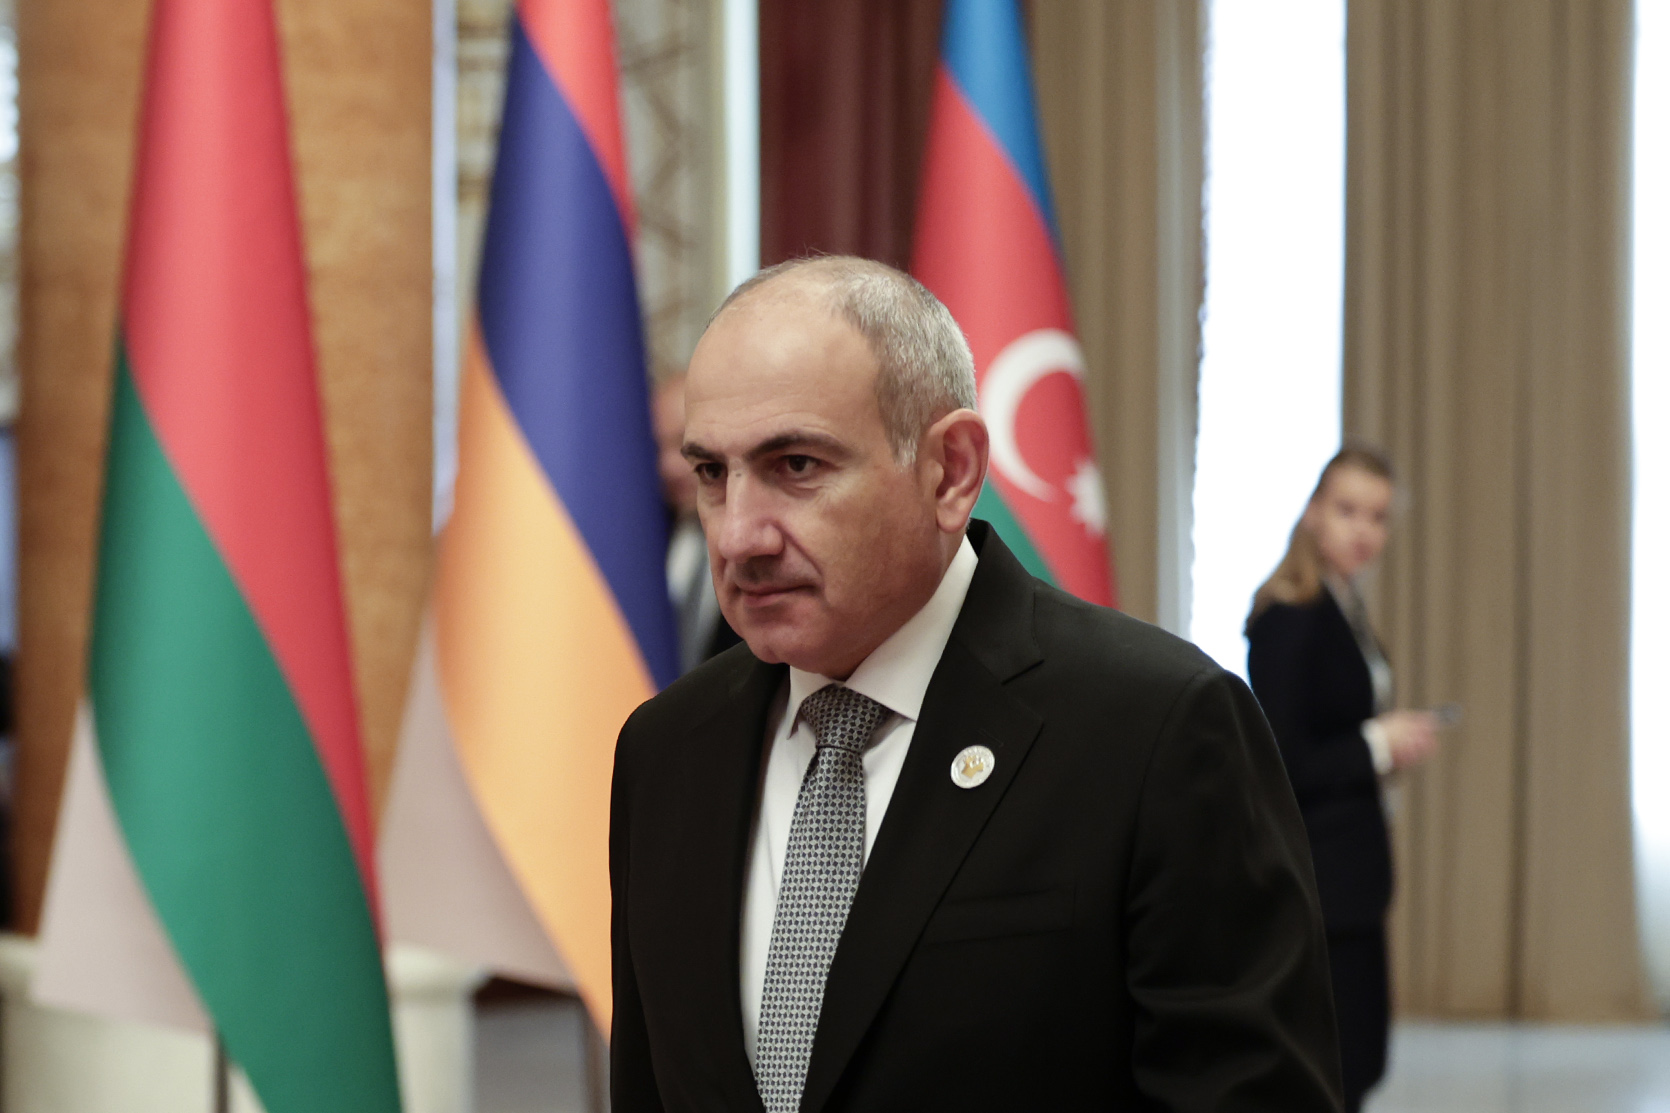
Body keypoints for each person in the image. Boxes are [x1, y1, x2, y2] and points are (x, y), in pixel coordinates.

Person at [610, 256, 1343, 1112]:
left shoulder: (1157, 731)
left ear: (951, 470)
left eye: (797, 465)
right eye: (711, 473)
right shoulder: (665, 750)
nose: (739, 536)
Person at [1244, 448, 1439, 1113]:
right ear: (1312, 511)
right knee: (1335, 1068)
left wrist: (1384, 744)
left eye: (1378, 517)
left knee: (1361, 1058)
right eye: (1348, 510)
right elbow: (1283, 760)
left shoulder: (1342, 604)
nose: (1364, 530)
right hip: (1319, 874)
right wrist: (1376, 742)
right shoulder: (1288, 616)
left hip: (1354, 868)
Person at [653, 372, 740, 672]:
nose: (667, 467)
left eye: (684, 447)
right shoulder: (640, 541)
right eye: (656, 448)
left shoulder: (759, 541)